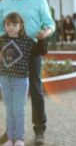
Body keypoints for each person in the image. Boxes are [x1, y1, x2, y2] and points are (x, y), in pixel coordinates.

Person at [0, 0, 55, 145]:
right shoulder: (4, 3)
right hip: (9, 53)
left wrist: (46, 32)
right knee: (9, 91)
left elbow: (50, 24)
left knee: (36, 89)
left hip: (31, 50)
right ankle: (11, 132)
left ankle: (39, 129)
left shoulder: (39, 1)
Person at [0, 13, 37, 146]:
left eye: (14, 24)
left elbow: (40, 51)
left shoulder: (27, 41)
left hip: (20, 81)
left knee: (19, 110)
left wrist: (44, 36)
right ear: (4, 25)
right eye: (8, 24)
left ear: (20, 26)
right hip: (4, 80)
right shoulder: (2, 39)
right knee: (9, 109)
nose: (11, 27)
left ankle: (19, 139)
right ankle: (10, 138)